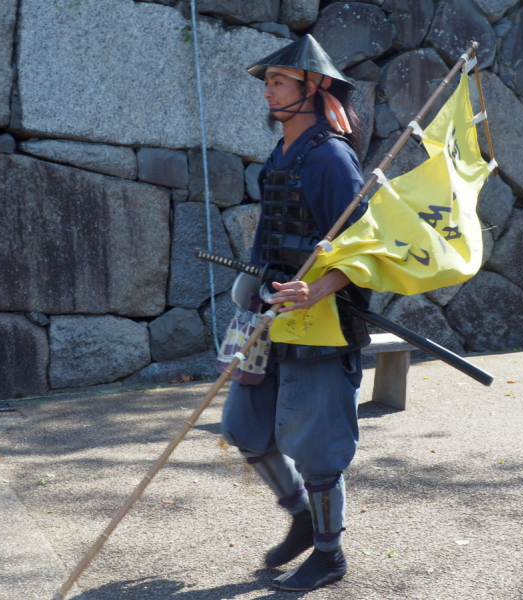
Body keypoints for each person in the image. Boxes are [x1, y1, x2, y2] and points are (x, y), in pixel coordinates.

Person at [220, 34, 372, 592]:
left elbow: (366, 248)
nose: (268, 91)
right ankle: (304, 519)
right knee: (246, 428)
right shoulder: (280, 155)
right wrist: (252, 290)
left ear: (313, 88)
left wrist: (319, 289)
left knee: (318, 448)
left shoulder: (332, 158)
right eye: (266, 81)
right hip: (268, 314)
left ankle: (330, 555)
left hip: (323, 322)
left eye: (278, 80)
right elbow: (270, 236)